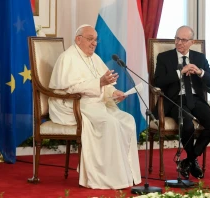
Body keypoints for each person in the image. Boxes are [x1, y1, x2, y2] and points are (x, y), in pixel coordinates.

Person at [48, 24, 141, 189]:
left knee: (127, 120)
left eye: (95, 40)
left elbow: (104, 85)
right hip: (72, 103)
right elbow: (70, 88)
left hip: (94, 102)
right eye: (90, 39)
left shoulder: (94, 58)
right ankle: (104, 177)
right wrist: (99, 83)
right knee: (109, 123)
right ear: (78, 39)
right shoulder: (68, 58)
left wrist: (113, 92)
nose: (94, 43)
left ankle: (126, 174)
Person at [153, 26, 210, 179]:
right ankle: (193, 161)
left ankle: (188, 160)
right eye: (177, 38)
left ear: (192, 42)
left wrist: (200, 72)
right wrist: (179, 72)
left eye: (183, 40)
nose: (179, 43)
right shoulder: (164, 57)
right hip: (175, 99)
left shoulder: (199, 58)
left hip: (196, 99)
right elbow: (158, 81)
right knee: (187, 124)